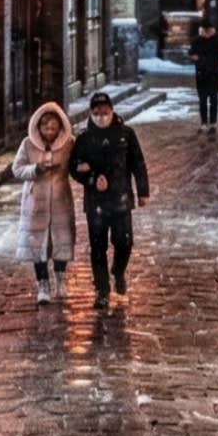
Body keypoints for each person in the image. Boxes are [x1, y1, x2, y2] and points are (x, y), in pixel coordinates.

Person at [68, 90, 149, 309]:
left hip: (121, 200)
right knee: (98, 247)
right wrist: (91, 178)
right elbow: (74, 168)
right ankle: (102, 289)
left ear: (112, 111)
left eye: (104, 111)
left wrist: (143, 192)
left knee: (124, 242)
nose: (101, 116)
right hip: (96, 203)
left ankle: (118, 270)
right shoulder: (84, 139)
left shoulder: (126, 134)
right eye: (96, 112)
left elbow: (137, 163)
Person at [10, 101, 77, 305]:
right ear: (38, 127)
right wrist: (35, 170)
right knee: (37, 244)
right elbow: (17, 169)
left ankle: (60, 278)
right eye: (46, 127)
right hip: (35, 203)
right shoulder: (27, 145)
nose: (50, 131)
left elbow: (76, 165)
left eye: (54, 128)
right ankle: (42, 283)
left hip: (60, 201)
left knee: (60, 241)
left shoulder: (69, 144)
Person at [188, 16, 218, 131]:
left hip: (214, 73)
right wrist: (194, 58)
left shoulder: (217, 40)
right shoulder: (197, 41)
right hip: (202, 73)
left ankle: (213, 123)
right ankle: (204, 122)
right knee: (202, 99)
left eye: (209, 31)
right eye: (205, 31)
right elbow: (191, 52)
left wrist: (216, 59)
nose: (207, 33)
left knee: (213, 98)